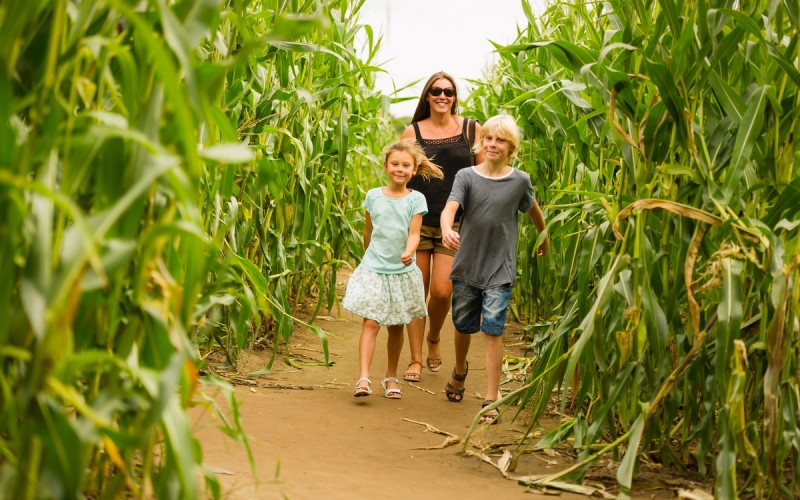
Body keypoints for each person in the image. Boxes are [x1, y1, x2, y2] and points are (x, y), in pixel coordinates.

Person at [440, 114, 549, 424]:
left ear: (511, 148)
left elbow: (534, 210)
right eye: (488, 138)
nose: (492, 144)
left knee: (493, 329)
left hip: (500, 268)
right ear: (481, 141)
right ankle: (460, 369)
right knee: (463, 325)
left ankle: (491, 397)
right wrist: (447, 229)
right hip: (467, 265)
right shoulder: (466, 176)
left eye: (500, 140)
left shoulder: (520, 181)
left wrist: (544, 238)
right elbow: (450, 209)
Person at [398, 71, 483, 383]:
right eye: (436, 91)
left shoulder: (472, 128)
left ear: (455, 96)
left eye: (448, 91)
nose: (443, 96)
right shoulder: (413, 131)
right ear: (428, 96)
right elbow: (401, 174)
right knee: (416, 290)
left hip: (455, 223)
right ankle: (416, 358)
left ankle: (434, 337)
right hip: (419, 221)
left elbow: (483, 172)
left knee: (442, 290)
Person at [343, 140, 444, 399]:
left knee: (397, 325)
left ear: (414, 170)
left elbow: (414, 233)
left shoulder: (416, 199)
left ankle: (390, 377)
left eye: (405, 165)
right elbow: (369, 231)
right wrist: (367, 259)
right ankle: (363, 377)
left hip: (401, 270)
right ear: (386, 166)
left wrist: (410, 251)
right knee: (372, 322)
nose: (400, 169)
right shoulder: (373, 196)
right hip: (375, 268)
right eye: (395, 164)